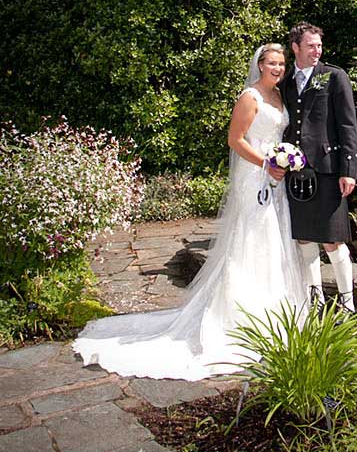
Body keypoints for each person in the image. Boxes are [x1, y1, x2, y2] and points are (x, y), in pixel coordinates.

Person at [73, 44, 306, 381]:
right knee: (253, 237)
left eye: (282, 63)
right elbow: (236, 139)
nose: (278, 68)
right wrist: (266, 162)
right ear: (260, 65)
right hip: (254, 176)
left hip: (274, 179)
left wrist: (280, 162)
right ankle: (242, 316)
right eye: (272, 63)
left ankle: (274, 309)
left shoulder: (279, 96)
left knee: (274, 237)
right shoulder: (250, 96)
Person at [280, 23, 357, 312]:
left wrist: (349, 170)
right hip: (296, 173)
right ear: (296, 48)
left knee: (332, 240)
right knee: (304, 238)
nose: (317, 51)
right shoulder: (285, 82)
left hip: (328, 170)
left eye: (319, 46)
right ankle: (316, 302)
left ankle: (348, 303)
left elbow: (348, 125)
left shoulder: (335, 77)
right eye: (311, 46)